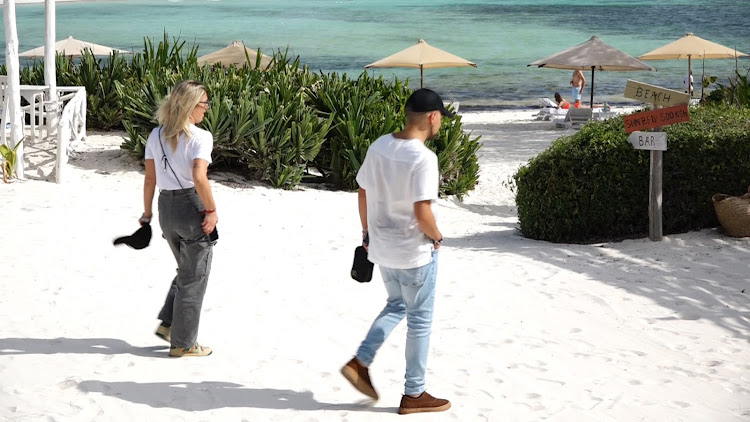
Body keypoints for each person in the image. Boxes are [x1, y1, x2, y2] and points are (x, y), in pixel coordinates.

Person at [341, 88, 451, 415]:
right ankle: (414, 393)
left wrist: (366, 232)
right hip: (413, 252)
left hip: (381, 248)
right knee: (419, 320)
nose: (441, 125)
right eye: (441, 119)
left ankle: (361, 361)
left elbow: (362, 192)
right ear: (433, 117)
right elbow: (422, 214)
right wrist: (438, 237)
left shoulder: (379, 146)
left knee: (395, 305)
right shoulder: (423, 158)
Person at [141, 80, 218, 358]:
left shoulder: (155, 135)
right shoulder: (201, 137)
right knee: (194, 277)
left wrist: (147, 214)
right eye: (204, 104)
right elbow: (199, 176)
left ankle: (169, 323)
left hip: (165, 209)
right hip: (190, 207)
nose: (207, 109)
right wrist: (211, 211)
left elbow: (150, 179)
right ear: (190, 106)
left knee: (186, 271)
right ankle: (184, 344)